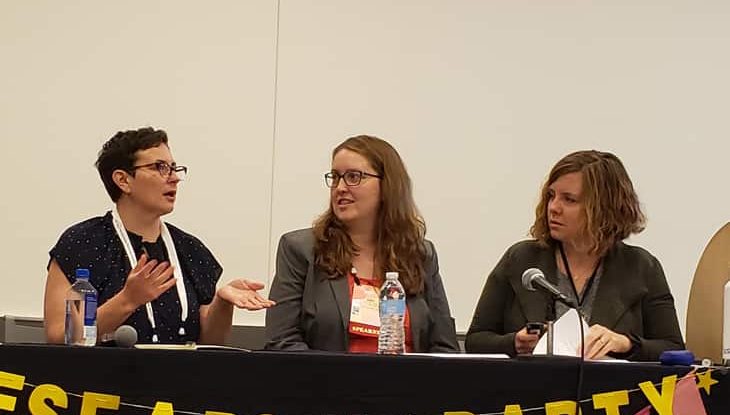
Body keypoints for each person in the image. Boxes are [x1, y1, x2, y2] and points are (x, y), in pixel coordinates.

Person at [44, 127, 273, 345]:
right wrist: (128, 300)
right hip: (102, 381)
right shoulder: (83, 243)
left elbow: (212, 342)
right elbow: (60, 336)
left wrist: (222, 303)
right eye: (159, 167)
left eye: (174, 168)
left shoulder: (190, 249)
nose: (173, 178)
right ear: (123, 180)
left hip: (180, 381)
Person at [465, 150, 683, 360]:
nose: (553, 207)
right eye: (551, 196)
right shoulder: (521, 259)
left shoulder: (641, 267)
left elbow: (672, 348)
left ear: (603, 208)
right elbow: (476, 340)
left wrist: (626, 344)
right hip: (527, 393)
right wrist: (514, 343)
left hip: (608, 394)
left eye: (569, 199)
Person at [265, 135, 459, 353]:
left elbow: (445, 347)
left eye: (354, 177)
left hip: (407, 384)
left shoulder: (420, 254)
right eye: (336, 177)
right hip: (325, 384)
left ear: (388, 186)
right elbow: (282, 341)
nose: (340, 187)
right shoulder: (301, 249)